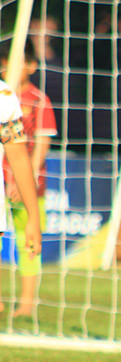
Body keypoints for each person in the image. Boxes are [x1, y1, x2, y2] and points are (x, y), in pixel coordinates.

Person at [1, 40, 56, 316]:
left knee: (28, 242)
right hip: (4, 183)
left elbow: (28, 150)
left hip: (25, 185)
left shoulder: (28, 100)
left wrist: (27, 185)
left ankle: (26, 303)